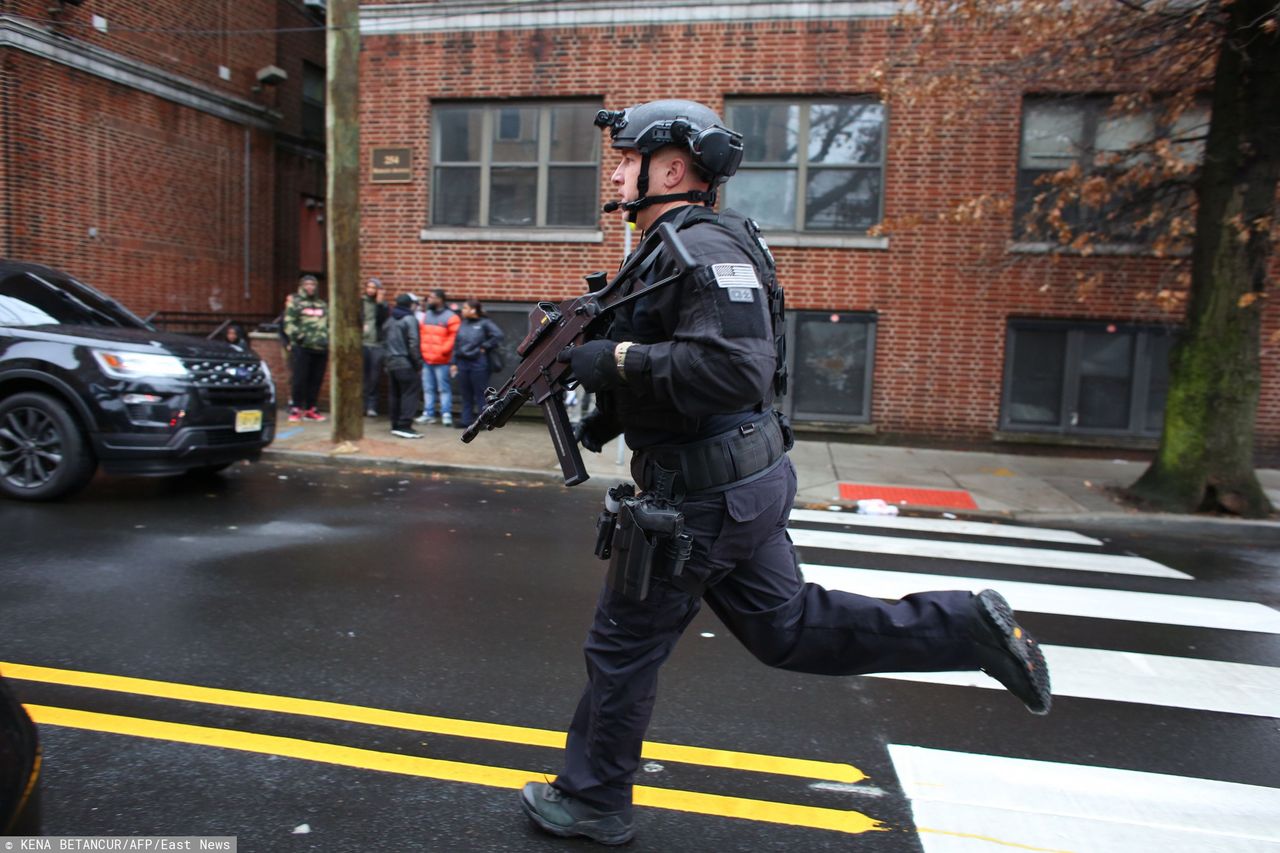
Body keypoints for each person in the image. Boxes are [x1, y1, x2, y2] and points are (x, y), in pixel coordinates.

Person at [518, 100, 1052, 846]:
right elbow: (683, 356)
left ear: (671, 168)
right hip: (734, 483)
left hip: (702, 497)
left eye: (627, 157)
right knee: (789, 629)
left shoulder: (701, 246)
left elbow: (735, 369)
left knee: (623, 646)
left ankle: (592, 797)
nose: (615, 170)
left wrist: (611, 361)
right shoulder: (677, 241)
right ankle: (964, 626)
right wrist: (613, 402)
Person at [450, 299, 504, 429]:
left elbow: (498, 335)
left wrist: (484, 346)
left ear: (473, 310)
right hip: (463, 362)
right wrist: (454, 363)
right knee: (466, 393)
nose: (462, 311)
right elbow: (457, 343)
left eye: (465, 308)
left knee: (481, 393)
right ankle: (465, 420)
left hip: (478, 364)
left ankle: (483, 421)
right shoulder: (463, 323)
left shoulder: (485, 323)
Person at [282, 274, 328, 422]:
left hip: (320, 347)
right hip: (302, 347)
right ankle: (296, 408)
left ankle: (311, 408)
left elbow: (329, 323)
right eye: (307, 284)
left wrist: (327, 338)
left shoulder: (322, 304)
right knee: (300, 378)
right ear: (302, 286)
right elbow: (288, 323)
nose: (310, 287)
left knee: (316, 379)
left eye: (313, 285)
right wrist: (299, 337)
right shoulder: (295, 303)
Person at [415, 288, 460, 427]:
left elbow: (454, 338)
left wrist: (442, 351)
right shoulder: (426, 315)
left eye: (432, 297)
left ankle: (446, 413)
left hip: (443, 360)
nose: (429, 300)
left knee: (443, 388)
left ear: (440, 299)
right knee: (428, 388)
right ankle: (428, 413)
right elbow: (421, 336)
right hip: (427, 360)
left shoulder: (451, 317)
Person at [384, 293, 425, 439]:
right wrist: (418, 363)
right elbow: (414, 343)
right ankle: (404, 425)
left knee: (395, 394)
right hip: (406, 363)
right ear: (409, 304)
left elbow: (385, 342)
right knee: (410, 393)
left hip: (391, 363)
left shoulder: (389, 320)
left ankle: (395, 424)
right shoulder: (410, 319)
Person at [362, 277, 391, 417]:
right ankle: (361, 405)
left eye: (374, 288)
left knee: (374, 377)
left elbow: (383, 322)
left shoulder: (383, 305)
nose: (371, 290)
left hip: (377, 344)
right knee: (362, 376)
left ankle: (371, 406)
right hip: (363, 343)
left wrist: (380, 304)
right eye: (369, 287)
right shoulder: (361, 303)